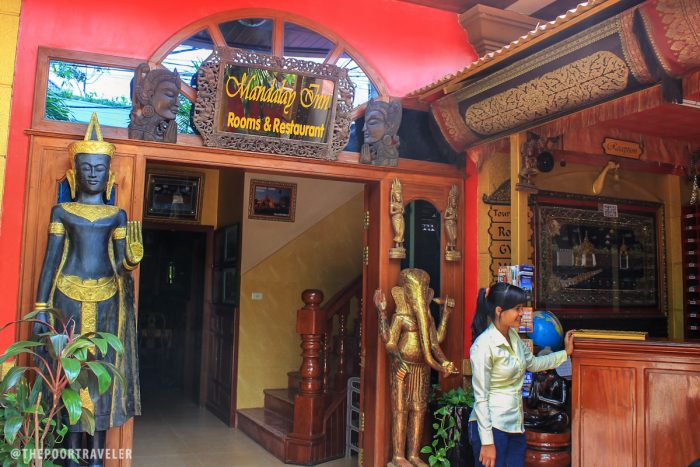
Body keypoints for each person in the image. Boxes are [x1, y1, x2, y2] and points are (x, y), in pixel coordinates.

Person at [33, 113, 143, 467]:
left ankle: (96, 457)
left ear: (109, 175)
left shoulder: (117, 215)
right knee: (68, 373)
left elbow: (121, 263)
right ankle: (69, 455)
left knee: (102, 373)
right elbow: (51, 261)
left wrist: (132, 259)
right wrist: (41, 308)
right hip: (66, 297)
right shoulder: (62, 211)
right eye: (86, 168)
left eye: (99, 168)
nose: (93, 174)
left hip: (108, 298)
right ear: (73, 173)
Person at [468, 282, 574, 467]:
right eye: (517, 308)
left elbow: (533, 363)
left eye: (522, 308)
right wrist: (487, 442)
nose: (522, 313)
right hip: (491, 427)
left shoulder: (514, 337)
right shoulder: (483, 346)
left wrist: (565, 353)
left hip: (515, 425)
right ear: (499, 311)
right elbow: (481, 397)